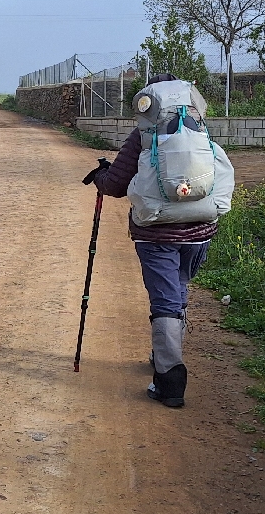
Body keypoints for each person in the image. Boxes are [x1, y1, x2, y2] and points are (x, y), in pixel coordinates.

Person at [89, 73, 232, 409]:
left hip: (155, 233)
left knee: (165, 300)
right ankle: (163, 355)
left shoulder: (143, 136)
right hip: (200, 230)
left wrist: (99, 176)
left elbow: (114, 185)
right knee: (178, 289)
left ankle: (170, 381)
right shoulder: (199, 130)